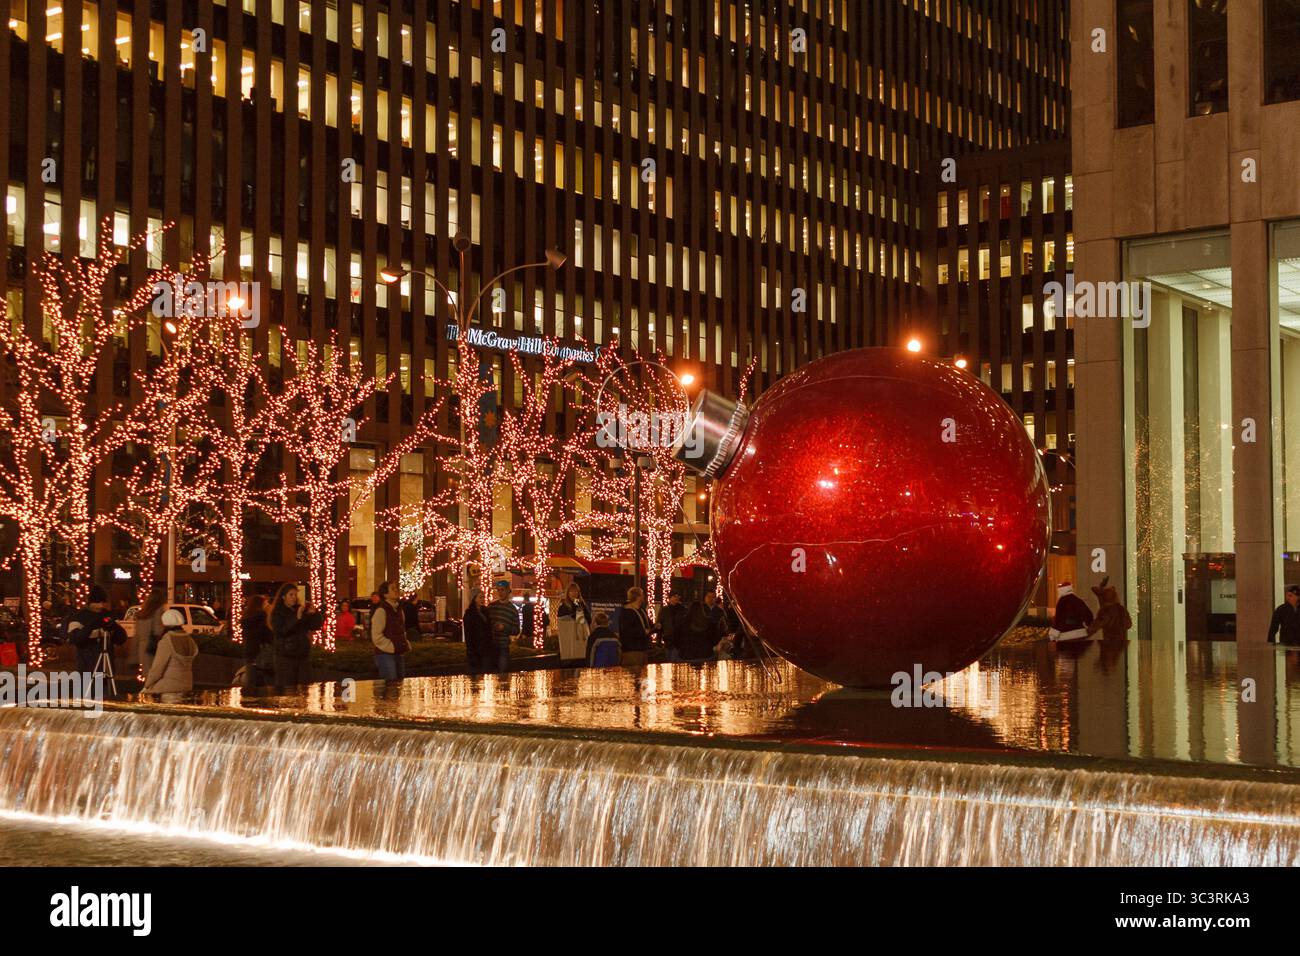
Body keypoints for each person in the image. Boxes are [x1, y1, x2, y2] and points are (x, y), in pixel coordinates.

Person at [268, 583, 323, 688]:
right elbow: (281, 631)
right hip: (285, 657)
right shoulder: (278, 612)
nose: (294, 598)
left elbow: (315, 626)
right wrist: (297, 618)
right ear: (283, 597)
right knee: (288, 689)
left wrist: (314, 613)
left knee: (304, 688)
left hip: (302, 655)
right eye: (291, 595)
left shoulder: (300, 609)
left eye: (295, 595)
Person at [66, 585, 127, 677]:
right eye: (98, 602)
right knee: (89, 689)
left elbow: (121, 639)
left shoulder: (107, 615)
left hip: (106, 664)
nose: (101, 605)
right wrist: (91, 626)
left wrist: (114, 626)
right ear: (91, 602)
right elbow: (76, 639)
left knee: (104, 689)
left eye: (103, 602)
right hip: (87, 664)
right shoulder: (79, 617)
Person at [142, 608, 199, 696]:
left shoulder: (167, 641)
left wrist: (146, 685)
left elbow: (157, 669)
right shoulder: (189, 640)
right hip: (187, 684)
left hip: (168, 686)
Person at [370, 581, 410, 681]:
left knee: (399, 683)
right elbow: (376, 635)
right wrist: (390, 646)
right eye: (392, 588)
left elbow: (402, 629)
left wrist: (404, 642)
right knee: (390, 684)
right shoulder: (381, 611)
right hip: (385, 654)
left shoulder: (399, 610)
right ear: (385, 594)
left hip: (398, 651)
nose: (396, 590)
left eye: (396, 587)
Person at [133, 586, 168, 678]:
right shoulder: (158, 610)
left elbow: (137, 634)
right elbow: (158, 630)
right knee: (157, 675)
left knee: (148, 676)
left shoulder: (142, 613)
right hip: (154, 647)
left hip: (143, 648)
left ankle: (149, 692)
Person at [241, 594, 274, 688]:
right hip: (260, 653)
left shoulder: (247, 618)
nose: (267, 605)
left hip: (251, 652)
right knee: (260, 682)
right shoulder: (261, 618)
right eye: (265, 603)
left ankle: (251, 699)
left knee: (252, 681)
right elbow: (267, 635)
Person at [1087, 577, 1132, 643]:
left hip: (1109, 643)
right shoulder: (1122, 609)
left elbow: (1093, 628)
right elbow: (1129, 624)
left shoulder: (1105, 611)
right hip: (1122, 642)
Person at [618, 587, 655, 668]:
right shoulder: (627, 612)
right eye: (642, 595)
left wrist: (655, 628)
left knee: (642, 677)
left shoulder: (642, 610)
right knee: (634, 675)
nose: (644, 597)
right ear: (638, 597)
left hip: (643, 649)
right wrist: (643, 632)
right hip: (632, 650)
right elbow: (627, 631)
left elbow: (649, 625)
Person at [487, 583, 520, 674]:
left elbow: (516, 630)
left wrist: (504, 628)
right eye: (498, 590)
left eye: (502, 590)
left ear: (508, 591)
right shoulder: (491, 607)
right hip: (491, 645)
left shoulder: (513, 609)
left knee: (503, 674)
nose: (500, 593)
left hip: (503, 646)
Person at [462, 589, 494, 674]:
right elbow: (468, 634)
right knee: (476, 675)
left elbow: (489, 629)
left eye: (483, 597)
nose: (482, 599)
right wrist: (471, 650)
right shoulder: (469, 614)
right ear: (474, 599)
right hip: (475, 649)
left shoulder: (485, 612)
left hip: (486, 648)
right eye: (480, 597)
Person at [556, 583, 591, 661]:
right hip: (569, 639)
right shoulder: (563, 606)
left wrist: (578, 604)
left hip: (580, 639)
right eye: (571, 591)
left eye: (576, 591)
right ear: (567, 593)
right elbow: (563, 620)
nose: (574, 593)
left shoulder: (581, 604)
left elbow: (587, 618)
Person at [658, 592, 686, 662]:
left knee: (673, 659)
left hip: (678, 639)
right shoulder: (664, 610)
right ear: (670, 598)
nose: (676, 598)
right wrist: (659, 639)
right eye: (674, 596)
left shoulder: (682, 609)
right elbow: (660, 624)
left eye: (678, 596)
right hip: (668, 639)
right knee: (670, 659)